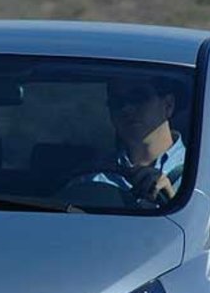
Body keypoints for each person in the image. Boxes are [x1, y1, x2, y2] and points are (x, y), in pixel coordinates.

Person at [67, 74, 186, 205]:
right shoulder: (90, 181)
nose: (126, 108)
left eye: (138, 97)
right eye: (117, 102)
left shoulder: (205, 174)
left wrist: (174, 204)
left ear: (168, 105)